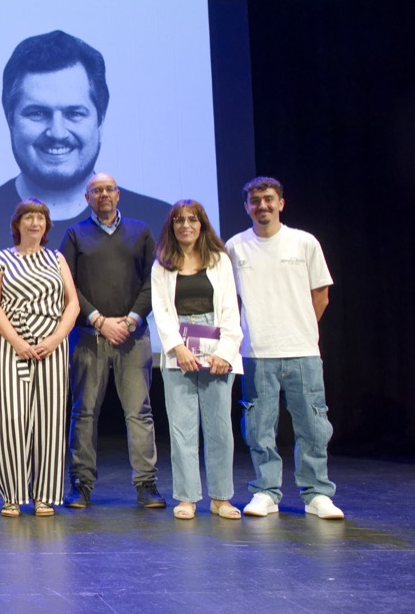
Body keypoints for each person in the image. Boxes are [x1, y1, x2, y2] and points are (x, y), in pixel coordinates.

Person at [0, 30, 171, 297]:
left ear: (101, 119)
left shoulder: (158, 221)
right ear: (9, 118)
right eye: (37, 113)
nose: (57, 132)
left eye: (74, 113)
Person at [226, 177, 343, 520]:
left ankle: (317, 493)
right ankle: (266, 491)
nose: (262, 205)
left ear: (281, 203)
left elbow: (320, 294)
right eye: (255, 200)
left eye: (268, 199)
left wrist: (302, 326)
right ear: (246, 206)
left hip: (303, 349)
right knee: (259, 427)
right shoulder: (235, 247)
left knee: (313, 425)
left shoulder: (303, 242)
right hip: (257, 350)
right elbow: (228, 299)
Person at [60, 172, 165, 509]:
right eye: (96, 191)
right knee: (84, 413)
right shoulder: (75, 234)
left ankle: (147, 484)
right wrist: (100, 321)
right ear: (87, 197)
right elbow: (67, 285)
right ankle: (81, 485)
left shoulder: (141, 231)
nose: (103, 195)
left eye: (108, 189)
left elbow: (154, 280)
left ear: (118, 194)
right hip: (89, 336)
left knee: (140, 412)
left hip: (133, 337)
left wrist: (133, 319)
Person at [150, 200, 243, 521]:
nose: (185, 225)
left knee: (220, 429)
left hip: (218, 353)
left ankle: (221, 498)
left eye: (192, 220)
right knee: (182, 429)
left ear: (202, 224)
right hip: (181, 353)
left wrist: (226, 352)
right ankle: (187, 497)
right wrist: (178, 348)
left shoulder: (219, 261)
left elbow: (231, 308)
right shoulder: (162, 264)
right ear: (172, 226)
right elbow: (161, 311)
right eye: (179, 220)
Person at [0, 200, 79, 517]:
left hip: (51, 346)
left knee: (50, 421)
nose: (35, 223)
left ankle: (45, 495)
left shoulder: (56, 259)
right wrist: (17, 341)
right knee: (12, 420)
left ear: (46, 225)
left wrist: (53, 340)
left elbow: (73, 305)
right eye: (29, 217)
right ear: (18, 223)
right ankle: (13, 494)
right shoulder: (2, 259)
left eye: (40, 218)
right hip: (13, 345)